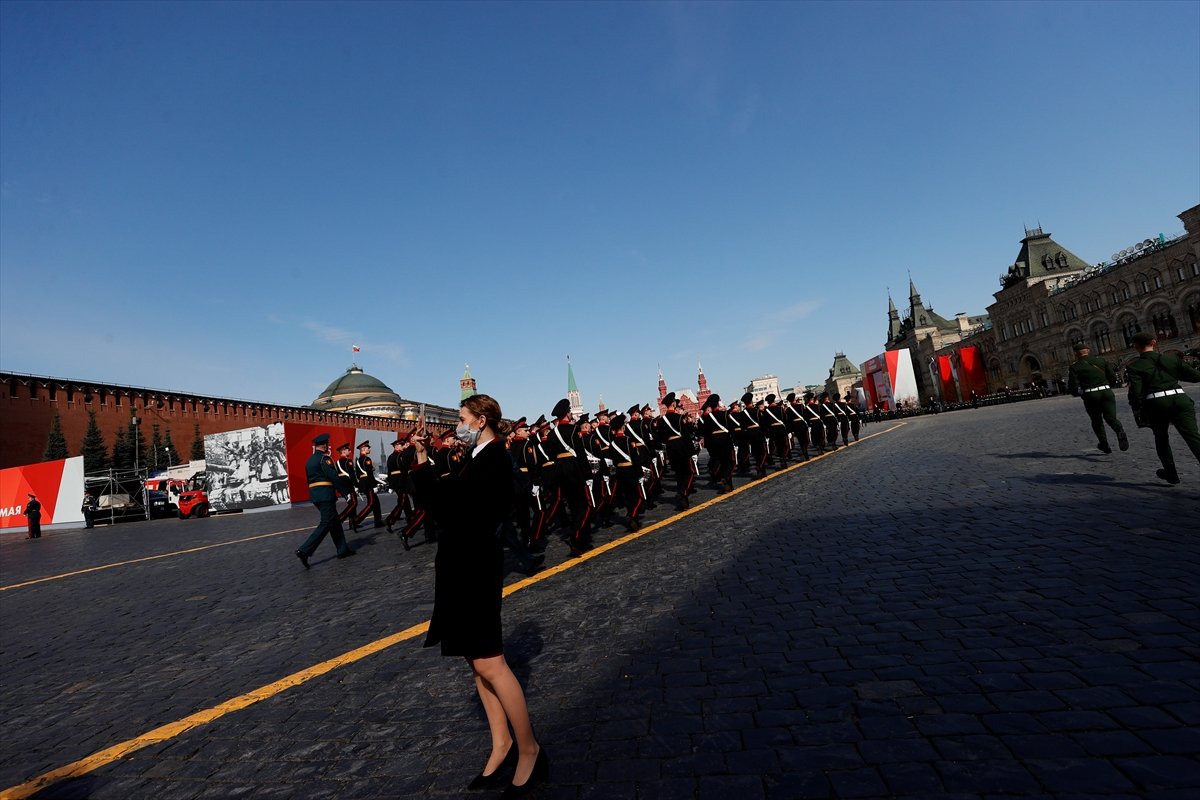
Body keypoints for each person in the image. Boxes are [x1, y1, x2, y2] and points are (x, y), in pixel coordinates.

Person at [410, 394, 547, 797]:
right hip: (461, 566)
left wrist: (421, 463)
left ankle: (529, 749)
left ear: (481, 419)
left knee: (492, 663)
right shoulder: (480, 455)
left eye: (462, 418)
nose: (458, 424)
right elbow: (452, 502)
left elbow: (448, 509)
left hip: (475, 569)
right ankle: (501, 743)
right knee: (476, 662)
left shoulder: (494, 458)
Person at [1126, 331, 1200, 485]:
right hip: (1180, 399)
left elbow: (1135, 392)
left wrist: (1137, 407)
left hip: (1156, 403)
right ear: (1154, 343)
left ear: (1136, 347)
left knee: (1161, 438)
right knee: (1193, 437)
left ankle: (1171, 473)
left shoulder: (1135, 366)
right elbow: (1194, 376)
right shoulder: (1171, 359)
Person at [295, 434, 356, 568]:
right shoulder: (325, 459)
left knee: (334, 523)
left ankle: (342, 549)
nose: (328, 446)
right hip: (326, 495)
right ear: (324, 445)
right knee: (326, 523)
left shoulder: (310, 460)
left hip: (316, 496)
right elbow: (333, 476)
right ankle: (304, 550)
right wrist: (346, 493)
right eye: (327, 444)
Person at [1066, 341, 1128, 454]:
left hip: (1091, 395)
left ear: (1076, 354)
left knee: (1096, 420)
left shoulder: (1075, 367)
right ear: (1088, 351)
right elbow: (1112, 376)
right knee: (1111, 418)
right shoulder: (1101, 360)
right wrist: (1109, 386)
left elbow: (1073, 385)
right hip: (1106, 392)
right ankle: (1119, 430)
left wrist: (1078, 393)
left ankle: (1104, 445)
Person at [354, 441, 384, 528]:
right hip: (368, 483)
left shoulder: (359, 460)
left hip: (364, 482)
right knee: (371, 503)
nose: (369, 449)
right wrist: (374, 486)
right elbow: (370, 474)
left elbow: (359, 475)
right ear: (363, 449)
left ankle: (378, 521)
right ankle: (357, 520)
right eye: (368, 448)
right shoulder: (367, 459)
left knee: (376, 502)